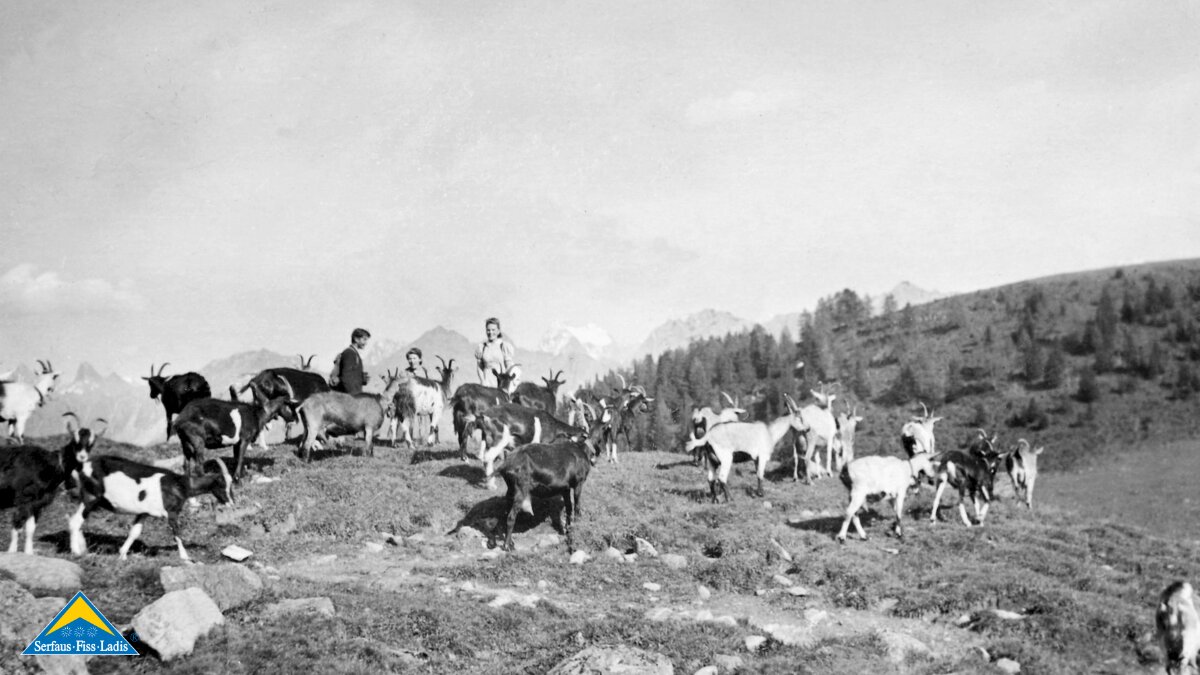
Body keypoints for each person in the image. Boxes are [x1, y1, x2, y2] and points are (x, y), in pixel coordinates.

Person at [475, 317, 516, 387]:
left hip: (501, 383)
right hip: (486, 384)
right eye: (488, 330)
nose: (490, 332)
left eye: (493, 330)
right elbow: (479, 367)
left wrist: (505, 382)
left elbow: (509, 367)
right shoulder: (482, 347)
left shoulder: (504, 346)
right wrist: (483, 381)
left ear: (498, 331)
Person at [333, 328, 370, 394]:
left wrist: (361, 379)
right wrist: (353, 397)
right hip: (350, 396)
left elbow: (350, 376)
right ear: (356, 339)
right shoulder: (350, 353)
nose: (366, 343)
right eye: (364, 339)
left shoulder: (353, 353)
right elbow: (346, 377)